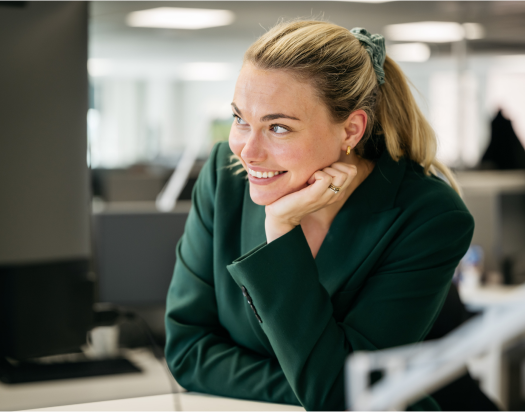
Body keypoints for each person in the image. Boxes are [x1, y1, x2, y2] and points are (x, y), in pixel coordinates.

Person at [165, 20, 474, 412]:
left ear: (351, 130)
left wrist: (280, 229)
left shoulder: (428, 216)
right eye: (241, 119)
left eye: (278, 127)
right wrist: (313, 383)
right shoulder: (224, 178)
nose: (247, 151)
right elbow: (188, 352)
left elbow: (342, 397)